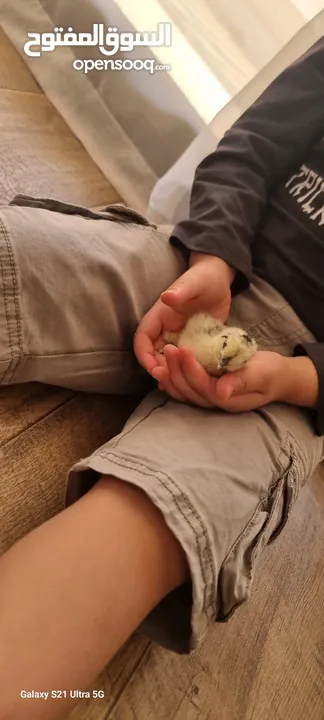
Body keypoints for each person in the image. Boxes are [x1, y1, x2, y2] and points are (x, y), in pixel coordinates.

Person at [1, 38, 324, 720]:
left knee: (157, 516)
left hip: (293, 387)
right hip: (197, 269)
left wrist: (296, 379)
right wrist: (213, 263)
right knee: (16, 264)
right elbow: (254, 147)